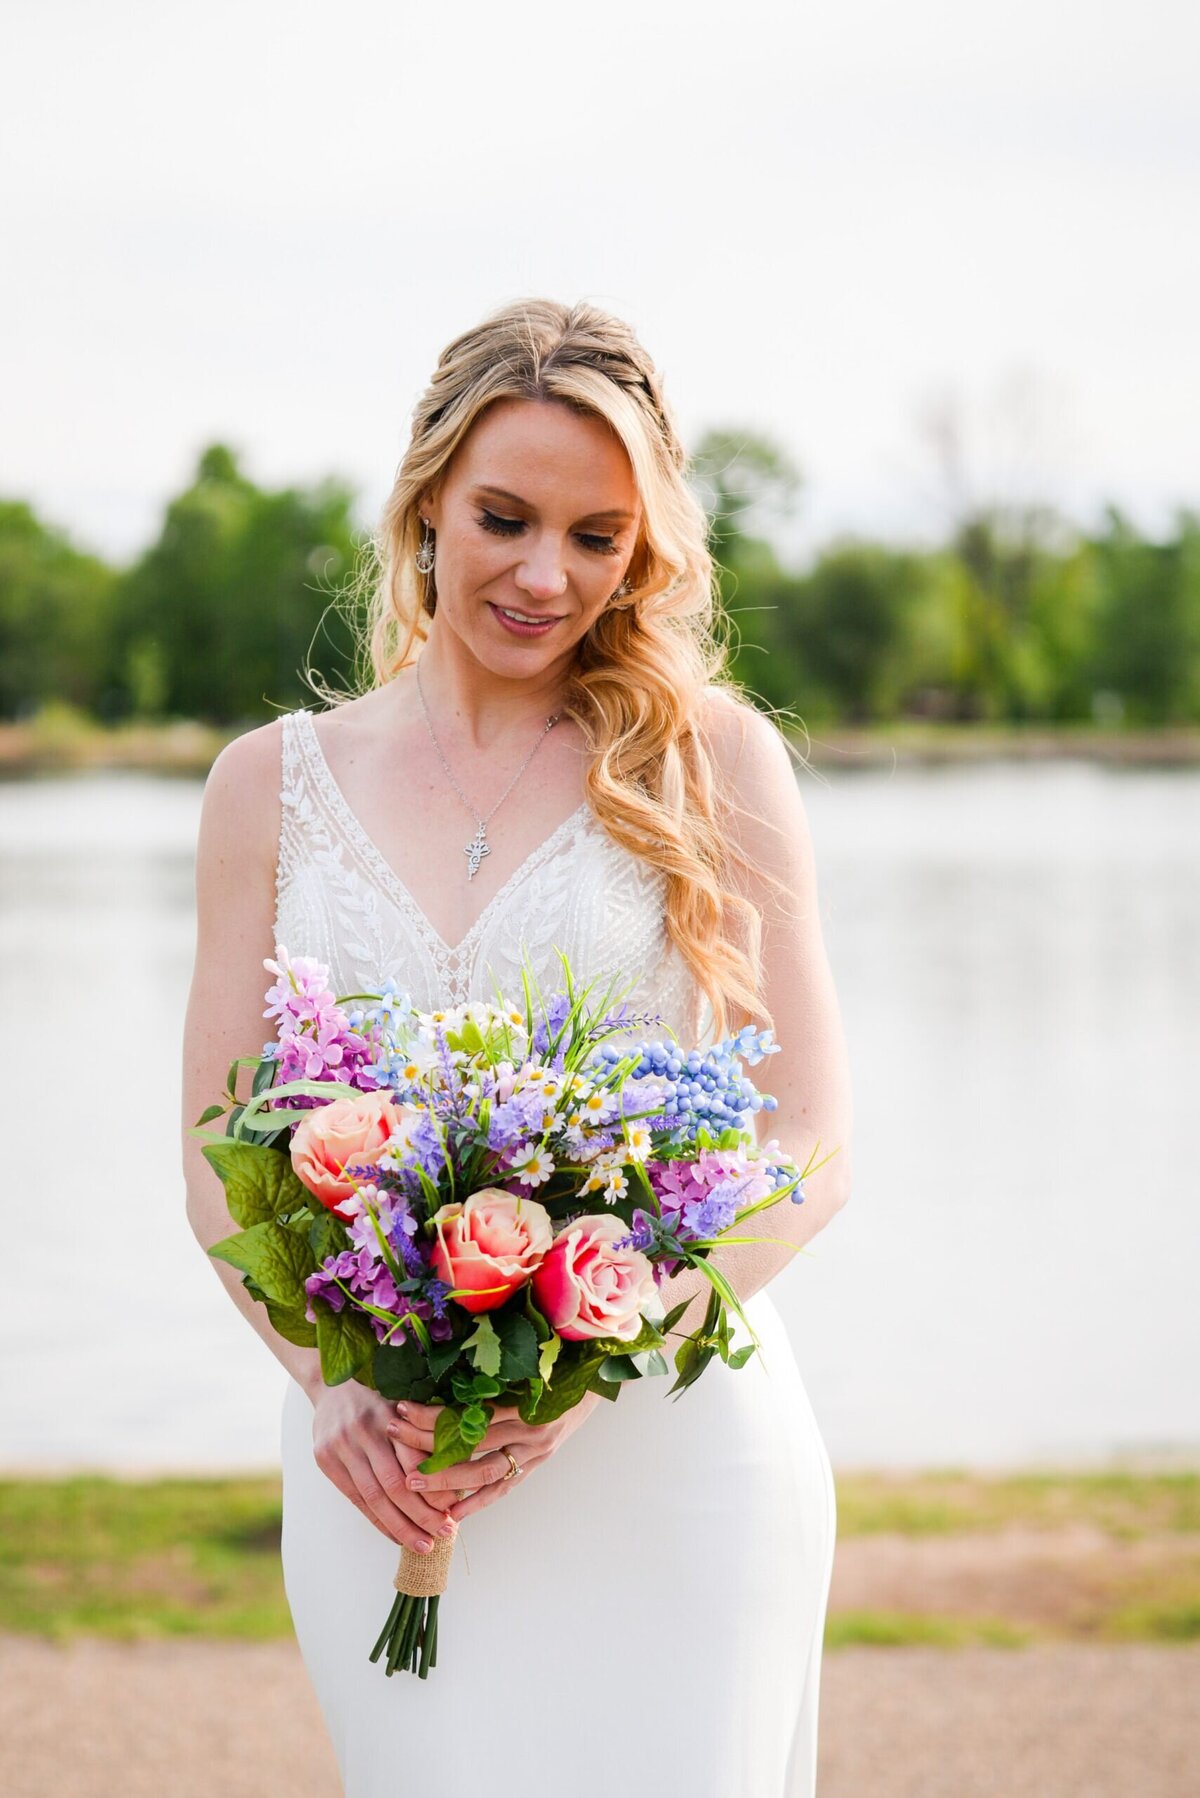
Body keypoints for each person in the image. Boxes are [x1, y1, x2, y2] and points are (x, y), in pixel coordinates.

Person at [181, 296, 853, 1796]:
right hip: (386, 1465)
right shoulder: (263, 789)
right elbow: (217, 1157)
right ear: (425, 500)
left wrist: (601, 1340)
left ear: (644, 551)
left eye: (600, 536)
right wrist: (327, 1380)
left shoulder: (714, 759)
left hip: (675, 1455)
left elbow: (808, 1137)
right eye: (505, 516)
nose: (548, 574)